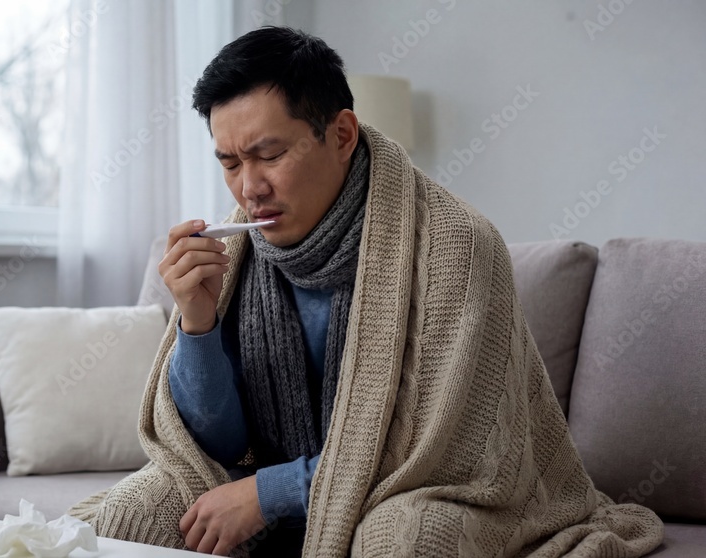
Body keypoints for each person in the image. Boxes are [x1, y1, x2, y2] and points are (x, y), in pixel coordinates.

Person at [70, 26, 663, 557]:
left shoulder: (456, 245)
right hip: (272, 479)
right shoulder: (237, 257)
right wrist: (197, 323)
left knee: (400, 541)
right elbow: (220, 445)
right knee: (133, 514)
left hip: (421, 491)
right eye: (229, 163)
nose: (250, 187)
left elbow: (444, 457)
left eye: (269, 154)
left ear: (342, 134)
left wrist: (270, 493)